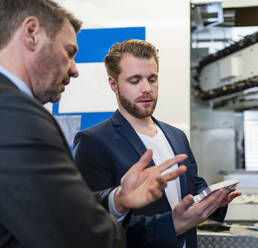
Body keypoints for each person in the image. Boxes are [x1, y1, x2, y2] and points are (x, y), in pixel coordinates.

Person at [0, 0, 192, 247]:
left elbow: (52, 210)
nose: (74, 70)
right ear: (31, 33)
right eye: (69, 53)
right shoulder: (18, 115)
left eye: (152, 79)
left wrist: (118, 200)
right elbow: (77, 233)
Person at [73, 39, 241, 248]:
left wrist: (213, 201)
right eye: (134, 81)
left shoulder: (177, 135)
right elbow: (93, 225)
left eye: (152, 79)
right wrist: (174, 224)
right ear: (113, 83)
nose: (146, 89)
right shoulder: (93, 142)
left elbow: (192, 183)